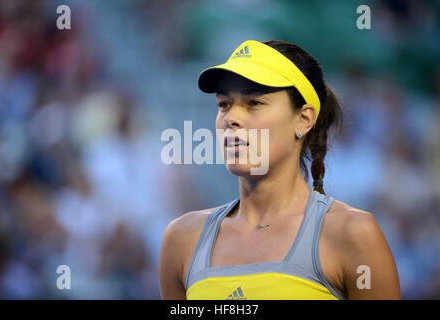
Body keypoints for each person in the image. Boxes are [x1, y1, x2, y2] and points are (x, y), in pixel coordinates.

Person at [159, 39, 401, 299]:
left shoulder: (353, 234)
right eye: (224, 104)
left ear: (304, 119)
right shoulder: (181, 240)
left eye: (255, 103)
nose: (231, 118)